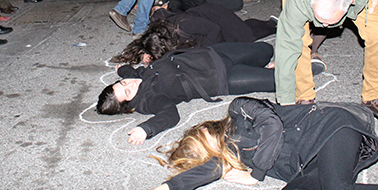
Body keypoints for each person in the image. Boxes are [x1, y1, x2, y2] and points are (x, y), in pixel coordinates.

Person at [138, 97, 378, 190]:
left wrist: (256, 174)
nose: (210, 158)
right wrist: (166, 189)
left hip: (330, 128)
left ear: (205, 131)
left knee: (337, 189)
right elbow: (209, 170)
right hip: (312, 161)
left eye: (201, 152)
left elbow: (272, 123)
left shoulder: (238, 111)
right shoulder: (230, 156)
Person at [96, 42, 276, 143]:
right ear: (129, 104)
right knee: (278, 81)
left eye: (123, 83)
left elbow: (131, 75)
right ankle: (262, 72)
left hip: (212, 54)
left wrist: (122, 70)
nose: (131, 84)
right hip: (221, 78)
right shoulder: (149, 100)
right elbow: (169, 114)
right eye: (127, 92)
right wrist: (146, 129)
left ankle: (261, 67)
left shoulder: (136, 78)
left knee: (267, 50)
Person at [149, 3, 277, 47]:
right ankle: (268, 23)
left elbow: (214, 28)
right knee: (239, 28)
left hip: (215, 16)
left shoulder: (183, 25)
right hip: (206, 17)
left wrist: (205, 48)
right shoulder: (161, 29)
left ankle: (275, 26)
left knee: (245, 37)